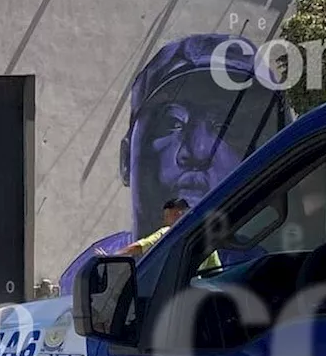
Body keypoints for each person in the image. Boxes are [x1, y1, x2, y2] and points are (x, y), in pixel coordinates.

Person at [60, 33, 290, 293]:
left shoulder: (264, 277)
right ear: (126, 159)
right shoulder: (87, 278)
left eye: (225, 127)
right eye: (172, 122)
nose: (198, 150)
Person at [116, 198, 221, 271]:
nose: (166, 220)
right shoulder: (204, 238)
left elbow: (140, 246)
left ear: (179, 213)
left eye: (168, 216)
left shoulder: (168, 233)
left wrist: (114, 256)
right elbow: (216, 272)